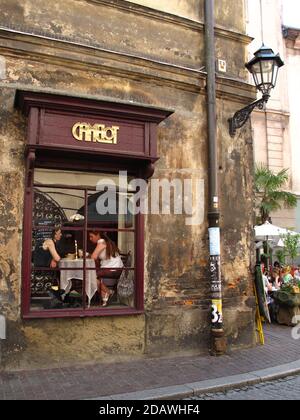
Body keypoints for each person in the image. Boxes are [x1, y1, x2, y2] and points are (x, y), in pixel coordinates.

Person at [89, 231, 124, 306]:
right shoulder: (106, 242)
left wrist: (88, 255)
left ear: (98, 235)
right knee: (91, 276)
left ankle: (108, 292)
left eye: (91, 236)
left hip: (112, 269)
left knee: (90, 277)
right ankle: (106, 297)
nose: (90, 239)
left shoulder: (101, 242)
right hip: (116, 268)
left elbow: (93, 257)